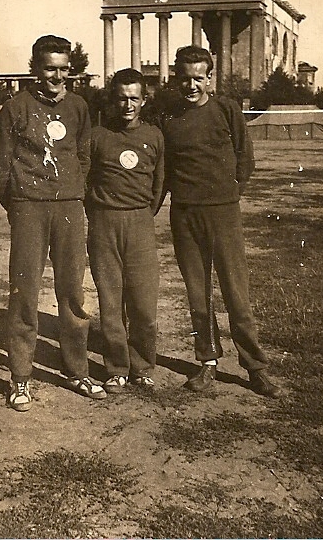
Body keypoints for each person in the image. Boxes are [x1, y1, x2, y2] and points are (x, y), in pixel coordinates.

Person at [0, 34, 106, 411]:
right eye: (50, 69)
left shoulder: (79, 107)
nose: (58, 76)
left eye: (63, 69)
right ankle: (20, 376)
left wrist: (71, 190)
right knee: (25, 292)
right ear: (36, 68)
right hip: (29, 209)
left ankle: (76, 370)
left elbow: (84, 157)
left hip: (68, 207)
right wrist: (18, 201)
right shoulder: (15, 108)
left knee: (72, 292)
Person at [158, 45, 281, 398]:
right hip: (185, 214)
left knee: (235, 292)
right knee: (198, 294)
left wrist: (230, 193)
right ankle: (208, 361)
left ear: (210, 79)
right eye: (185, 78)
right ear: (176, 79)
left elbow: (245, 158)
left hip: (223, 212)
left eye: (199, 78)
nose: (191, 85)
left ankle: (255, 367)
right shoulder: (169, 117)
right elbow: (164, 168)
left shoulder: (227, 109)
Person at [86, 68, 164, 393]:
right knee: (110, 300)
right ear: (112, 100)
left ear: (144, 100)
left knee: (144, 302)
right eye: (121, 98)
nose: (127, 105)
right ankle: (117, 367)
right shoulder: (97, 136)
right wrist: (101, 212)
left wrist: (140, 214)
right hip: (104, 223)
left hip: (140, 222)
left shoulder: (154, 136)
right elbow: (86, 180)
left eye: (134, 98)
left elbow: (159, 185)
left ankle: (142, 366)